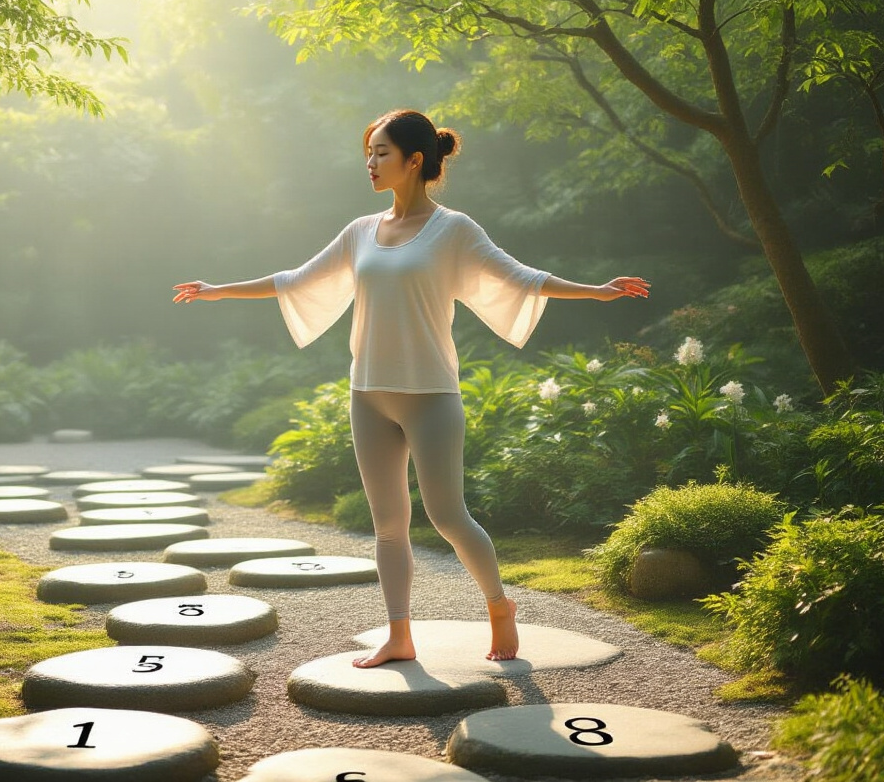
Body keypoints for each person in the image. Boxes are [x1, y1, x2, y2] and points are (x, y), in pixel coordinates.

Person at [173, 109, 650, 667]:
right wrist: (217, 290)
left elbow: (519, 276)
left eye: (381, 153)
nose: (370, 164)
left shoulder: (454, 230)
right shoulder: (359, 232)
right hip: (368, 393)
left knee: (448, 516)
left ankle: (499, 605)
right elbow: (297, 279)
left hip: (431, 396)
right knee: (389, 526)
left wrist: (596, 292)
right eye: (368, 154)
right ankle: (399, 636)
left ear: (414, 160)